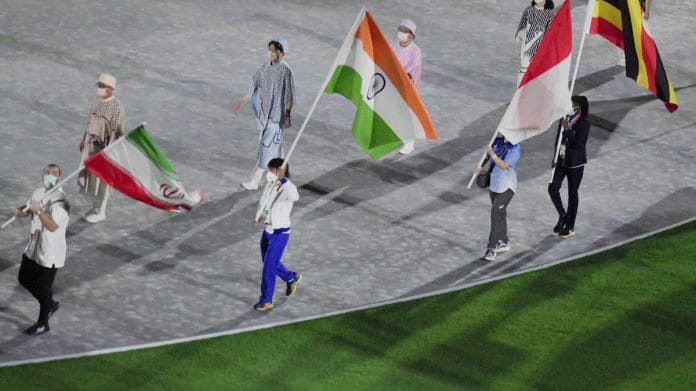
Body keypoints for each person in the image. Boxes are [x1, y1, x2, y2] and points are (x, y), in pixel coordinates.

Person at [15, 164, 70, 335]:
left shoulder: (62, 202)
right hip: (33, 247)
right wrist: (21, 212)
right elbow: (28, 208)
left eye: (54, 173)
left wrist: (38, 211)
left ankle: (43, 323)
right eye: (47, 172)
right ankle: (50, 304)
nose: (50, 175)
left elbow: (53, 226)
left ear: (59, 178)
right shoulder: (39, 192)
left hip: (49, 253)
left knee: (42, 289)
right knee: (23, 278)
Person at [235, 38, 295, 190]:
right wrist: (243, 99)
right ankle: (282, 179)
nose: (270, 53)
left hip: (277, 117)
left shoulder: (285, 71)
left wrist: (287, 116)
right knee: (275, 148)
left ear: (280, 53)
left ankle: (255, 181)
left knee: (267, 147)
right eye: (270, 50)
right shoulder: (265, 67)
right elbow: (254, 82)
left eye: (273, 50)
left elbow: (289, 95)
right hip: (267, 115)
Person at [251, 158, 302, 311]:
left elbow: (295, 196)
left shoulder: (287, 188)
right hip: (268, 231)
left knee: (268, 268)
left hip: (280, 234)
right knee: (268, 262)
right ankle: (291, 277)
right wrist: (258, 216)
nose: (268, 172)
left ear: (278, 170)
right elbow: (264, 202)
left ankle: (266, 300)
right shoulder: (270, 185)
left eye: (270, 169)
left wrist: (283, 180)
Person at [78, 73, 124, 223]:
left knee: (103, 180)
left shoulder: (117, 108)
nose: (99, 88)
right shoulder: (97, 101)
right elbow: (90, 121)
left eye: (102, 86)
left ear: (110, 89)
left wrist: (110, 151)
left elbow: (119, 132)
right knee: (92, 178)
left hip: (106, 150)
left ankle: (101, 210)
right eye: (99, 85)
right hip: (91, 147)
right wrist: (84, 138)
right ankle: (94, 207)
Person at [548, 95, 590, 239]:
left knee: (572, 194)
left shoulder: (585, 123)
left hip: (575, 164)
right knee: (552, 187)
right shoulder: (565, 119)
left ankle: (570, 226)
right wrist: (555, 157)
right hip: (561, 161)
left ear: (579, 107)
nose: (570, 107)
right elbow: (558, 141)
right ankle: (563, 215)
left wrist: (567, 129)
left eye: (573, 104)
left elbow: (577, 144)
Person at [478, 136, 522, 261]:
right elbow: (486, 157)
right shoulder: (496, 141)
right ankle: (503, 241)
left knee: (495, 213)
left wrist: (492, 154)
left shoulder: (515, 148)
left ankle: (491, 248)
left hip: (507, 186)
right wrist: (480, 166)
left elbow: (503, 165)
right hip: (494, 185)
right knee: (500, 214)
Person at [389, 19, 422, 155]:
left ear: (411, 35)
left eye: (405, 31)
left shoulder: (415, 51)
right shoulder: (394, 44)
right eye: (400, 30)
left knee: (405, 114)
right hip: (392, 82)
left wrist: (400, 73)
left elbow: (413, 68)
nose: (401, 33)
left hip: (407, 85)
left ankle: (409, 143)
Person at [515, 0, 556, 84]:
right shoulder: (528, 10)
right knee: (524, 65)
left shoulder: (551, 14)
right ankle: (520, 90)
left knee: (537, 70)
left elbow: (551, 32)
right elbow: (522, 24)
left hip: (539, 46)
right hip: (526, 42)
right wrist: (519, 35)